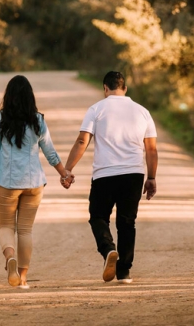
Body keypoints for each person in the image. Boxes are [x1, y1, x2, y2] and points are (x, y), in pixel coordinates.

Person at [62, 70, 158, 284]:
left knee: (98, 217)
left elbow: (82, 141)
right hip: (133, 174)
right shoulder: (142, 112)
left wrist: (68, 169)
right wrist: (151, 178)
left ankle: (108, 250)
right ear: (125, 88)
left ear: (105, 88)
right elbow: (151, 149)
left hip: (104, 175)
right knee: (127, 222)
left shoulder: (96, 109)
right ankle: (124, 272)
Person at [0, 75, 73, 289]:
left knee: (6, 226)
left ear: (8, 96)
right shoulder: (38, 120)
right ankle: (22, 278)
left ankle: (10, 258)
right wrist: (64, 173)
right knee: (25, 230)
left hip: (6, 182)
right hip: (34, 184)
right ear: (30, 97)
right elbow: (50, 152)